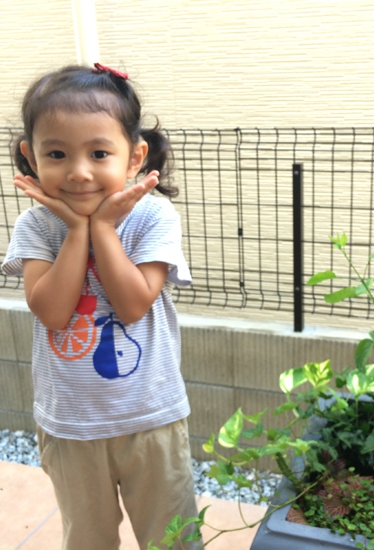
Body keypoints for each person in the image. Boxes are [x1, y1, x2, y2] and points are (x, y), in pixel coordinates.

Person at [1, 64, 202, 550]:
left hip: (151, 418)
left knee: (171, 539)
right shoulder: (38, 228)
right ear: (31, 156)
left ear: (134, 157)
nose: (78, 171)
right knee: (87, 539)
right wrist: (75, 230)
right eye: (56, 153)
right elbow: (52, 312)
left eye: (98, 153)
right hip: (70, 425)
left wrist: (103, 230)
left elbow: (133, 305)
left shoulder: (154, 217)